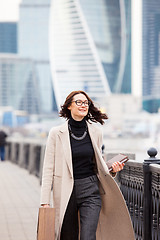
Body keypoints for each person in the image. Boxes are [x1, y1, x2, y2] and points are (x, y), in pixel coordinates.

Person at [40, 90, 135, 240]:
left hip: (91, 190)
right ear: (69, 106)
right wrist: (44, 201)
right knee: (67, 236)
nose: (83, 105)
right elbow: (48, 168)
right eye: (79, 102)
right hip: (66, 190)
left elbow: (98, 164)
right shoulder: (56, 133)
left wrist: (112, 170)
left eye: (86, 103)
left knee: (88, 236)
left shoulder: (96, 132)